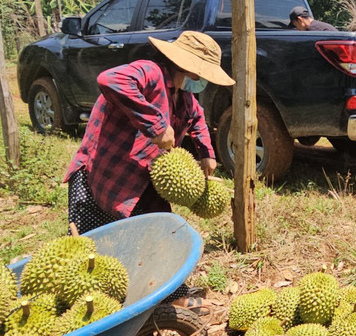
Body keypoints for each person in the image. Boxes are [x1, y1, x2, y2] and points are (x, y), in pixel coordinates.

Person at [64, 30, 235, 309]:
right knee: (94, 256)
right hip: (103, 176)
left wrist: (206, 153)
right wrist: (155, 125)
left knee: (161, 234)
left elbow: (198, 118)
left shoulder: (183, 97)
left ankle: (167, 296)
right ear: (191, 70)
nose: (201, 80)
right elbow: (110, 79)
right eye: (201, 74)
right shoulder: (149, 72)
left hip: (141, 182)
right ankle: (99, 312)